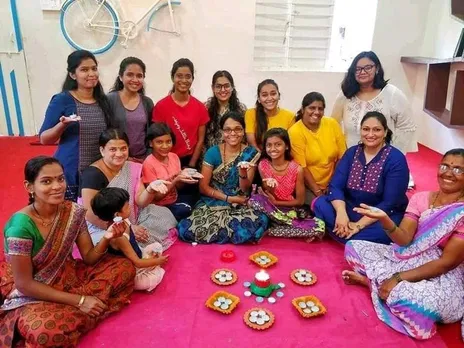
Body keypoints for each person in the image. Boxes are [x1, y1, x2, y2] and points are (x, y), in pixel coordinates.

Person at [0, 156, 135, 347]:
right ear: (29, 187)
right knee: (44, 332)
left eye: (61, 179)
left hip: (68, 274)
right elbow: (24, 284)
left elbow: (89, 257)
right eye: (47, 181)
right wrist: (80, 300)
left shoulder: (73, 211)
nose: (57, 186)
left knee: (124, 267)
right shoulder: (20, 227)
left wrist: (107, 237)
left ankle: (81, 311)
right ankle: (89, 307)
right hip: (34, 287)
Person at [342, 148, 464, 340]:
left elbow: (446, 263)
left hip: (443, 274)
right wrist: (385, 219)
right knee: (353, 248)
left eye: (458, 170)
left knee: (412, 300)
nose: (449, 173)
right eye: (445, 166)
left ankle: (373, 283)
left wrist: (398, 278)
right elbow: (405, 239)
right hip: (409, 256)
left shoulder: (461, 212)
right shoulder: (421, 198)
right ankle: (382, 286)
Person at [313, 111, 409, 245]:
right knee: (320, 203)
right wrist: (341, 214)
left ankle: (342, 234)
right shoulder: (352, 153)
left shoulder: (396, 159)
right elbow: (335, 186)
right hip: (349, 208)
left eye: (376, 130)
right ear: (360, 131)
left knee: (386, 231)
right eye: (366, 129)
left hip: (379, 215)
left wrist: (358, 225)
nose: (370, 134)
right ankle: (348, 233)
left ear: (385, 132)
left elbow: (390, 202)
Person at [178, 112, 269, 244]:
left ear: (243, 131)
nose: (233, 133)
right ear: (222, 132)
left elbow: (245, 188)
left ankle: (224, 234)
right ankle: (230, 235)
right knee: (187, 229)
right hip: (213, 202)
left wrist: (242, 172)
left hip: (240, 204)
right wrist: (228, 198)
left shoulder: (251, 153)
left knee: (260, 220)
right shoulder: (213, 152)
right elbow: (203, 187)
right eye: (227, 129)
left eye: (238, 129)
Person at [79, 128, 178, 250]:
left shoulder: (131, 167)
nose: (119, 154)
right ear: (102, 150)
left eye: (123, 148)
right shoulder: (93, 174)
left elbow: (140, 201)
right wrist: (128, 229)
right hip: (103, 224)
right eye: (113, 149)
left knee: (165, 215)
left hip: (131, 215)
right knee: (119, 242)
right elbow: (90, 214)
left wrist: (150, 190)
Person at [331, 51, 417, 187]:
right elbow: (333, 125)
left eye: (368, 67)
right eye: (358, 69)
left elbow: (407, 127)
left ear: (377, 68)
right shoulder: (345, 95)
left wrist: (393, 156)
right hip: (351, 158)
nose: (362, 72)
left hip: (383, 158)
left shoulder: (392, 94)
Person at [39, 50, 113, 201]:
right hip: (71, 171)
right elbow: (44, 139)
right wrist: (62, 125)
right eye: (84, 70)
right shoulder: (62, 100)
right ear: (73, 75)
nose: (91, 73)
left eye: (94, 68)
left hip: (98, 170)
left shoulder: (103, 101)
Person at [248, 128, 325, 240]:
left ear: (287, 146)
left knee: (320, 226)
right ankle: (283, 227)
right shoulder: (263, 165)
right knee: (254, 201)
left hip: (288, 210)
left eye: (278, 144)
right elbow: (267, 194)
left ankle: (273, 229)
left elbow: (300, 201)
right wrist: (270, 191)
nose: (273, 149)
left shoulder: (297, 169)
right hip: (269, 208)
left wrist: (276, 202)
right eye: (269, 145)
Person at [91, 187, 168, 292]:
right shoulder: (118, 236)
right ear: (117, 215)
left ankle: (151, 266)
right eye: (127, 206)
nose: (130, 207)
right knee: (152, 277)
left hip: (136, 255)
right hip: (132, 268)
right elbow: (137, 262)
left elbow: (134, 246)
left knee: (156, 246)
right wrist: (158, 261)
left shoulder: (124, 220)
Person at [288, 92, 346, 204]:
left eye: (320, 109)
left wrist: (332, 184)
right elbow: (302, 167)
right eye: (312, 108)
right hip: (308, 185)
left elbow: (342, 157)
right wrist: (318, 190)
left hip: (334, 180)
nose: (316, 112)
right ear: (303, 109)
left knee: (344, 204)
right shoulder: (295, 132)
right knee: (323, 207)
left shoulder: (332, 124)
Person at [152, 58, 209, 169]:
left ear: (193, 78)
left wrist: (191, 165)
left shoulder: (200, 107)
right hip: (165, 160)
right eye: (179, 76)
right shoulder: (161, 106)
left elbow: (200, 140)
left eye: (188, 76)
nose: (184, 80)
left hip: (190, 161)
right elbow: (156, 138)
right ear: (172, 77)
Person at [142, 123, 202, 220]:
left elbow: (178, 187)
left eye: (168, 141)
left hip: (175, 200)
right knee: (186, 211)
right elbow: (156, 197)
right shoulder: (148, 164)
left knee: (198, 203)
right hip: (159, 206)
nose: (165, 146)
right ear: (150, 143)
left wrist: (183, 176)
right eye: (159, 142)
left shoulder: (174, 157)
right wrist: (175, 180)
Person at [107, 57, 154, 162]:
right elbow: (104, 131)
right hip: (116, 159)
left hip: (142, 159)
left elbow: (151, 133)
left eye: (139, 76)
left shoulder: (147, 102)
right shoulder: (110, 99)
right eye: (130, 75)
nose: (135, 80)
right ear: (120, 76)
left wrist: (148, 156)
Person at [245, 79, 295, 150]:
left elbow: (290, 145)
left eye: (273, 94)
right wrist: (264, 161)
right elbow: (252, 144)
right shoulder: (250, 114)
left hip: (281, 158)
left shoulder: (290, 116)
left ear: (279, 96)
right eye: (264, 95)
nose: (269, 98)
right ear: (259, 99)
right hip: (258, 157)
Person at [205, 70, 246, 148]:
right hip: (210, 156)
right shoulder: (206, 108)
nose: (223, 90)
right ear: (212, 88)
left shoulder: (241, 109)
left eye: (226, 86)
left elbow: (244, 137)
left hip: (234, 155)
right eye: (218, 86)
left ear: (232, 87)